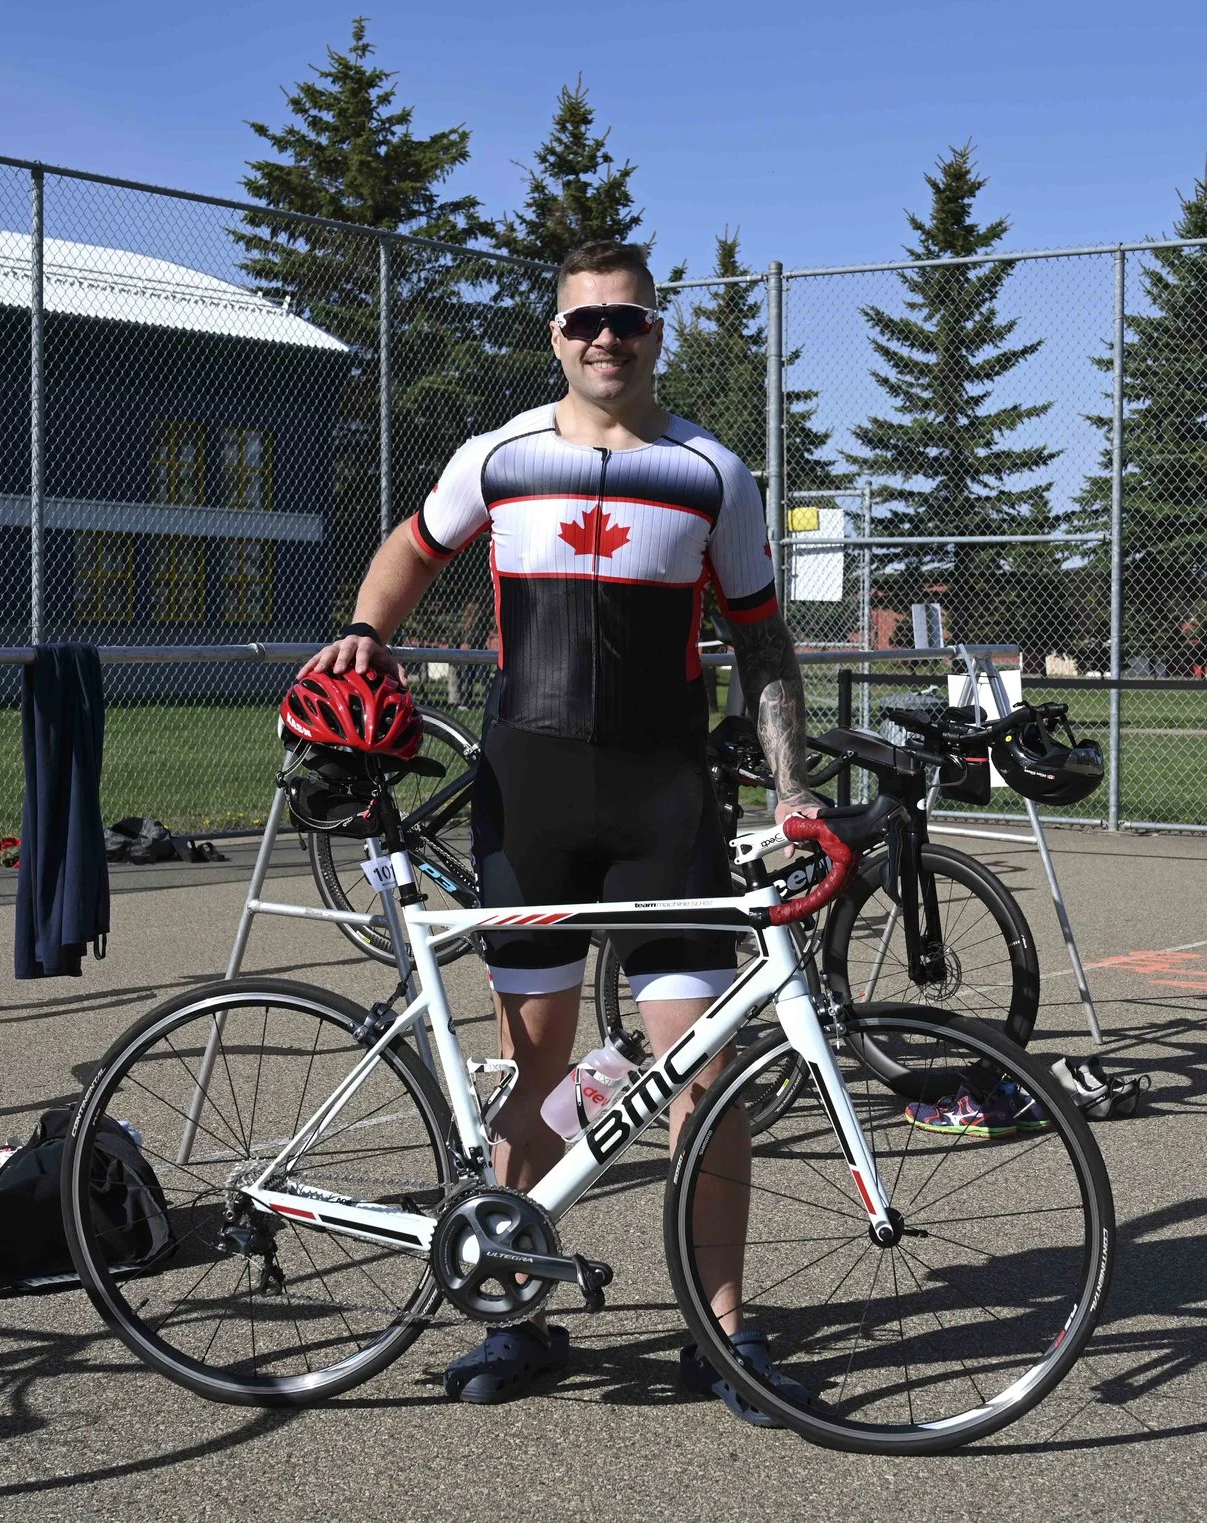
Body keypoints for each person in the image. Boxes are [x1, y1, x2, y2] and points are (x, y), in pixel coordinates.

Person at [301, 240, 820, 1419]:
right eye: (583, 322)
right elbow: (410, 549)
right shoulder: (499, 455)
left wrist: (790, 790)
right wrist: (368, 634)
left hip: (665, 804)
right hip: (528, 796)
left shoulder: (709, 472)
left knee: (708, 1070)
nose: (604, 339)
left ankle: (722, 1332)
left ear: (654, 332)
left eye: (626, 321)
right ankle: (513, 1314)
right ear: (554, 336)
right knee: (536, 1065)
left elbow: (764, 640)